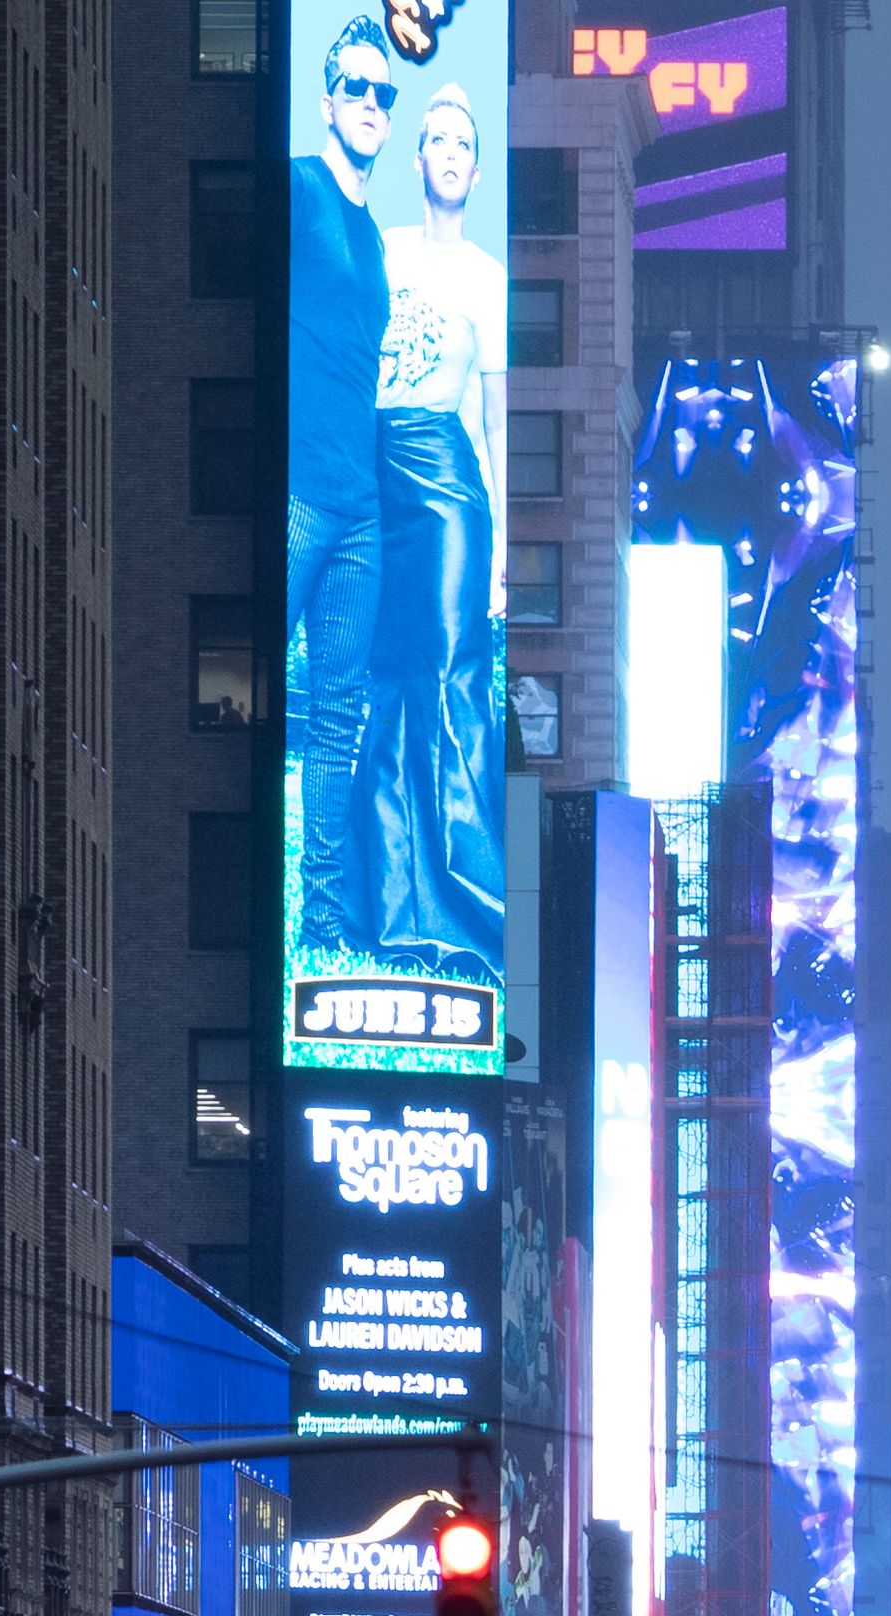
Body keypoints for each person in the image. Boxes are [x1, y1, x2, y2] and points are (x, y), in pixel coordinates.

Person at [358, 81, 513, 973]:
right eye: (439, 140)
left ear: (477, 172)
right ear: (416, 158)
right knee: (385, 682)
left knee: (452, 680)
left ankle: (468, 904)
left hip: (450, 489)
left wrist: (502, 555)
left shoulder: (488, 278)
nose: (451, 154)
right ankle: (392, 910)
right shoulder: (380, 248)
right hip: (374, 475)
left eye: (464, 144)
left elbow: (493, 424)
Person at [280, 8, 404, 984]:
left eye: (382, 91)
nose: (369, 101)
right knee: (251, 693)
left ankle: (321, 924)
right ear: (328, 101)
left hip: (360, 508)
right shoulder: (296, 188)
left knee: (337, 719)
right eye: (355, 87)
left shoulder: (370, 232)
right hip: (296, 493)